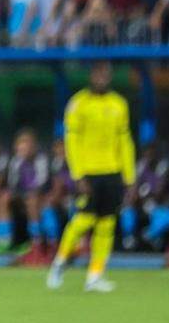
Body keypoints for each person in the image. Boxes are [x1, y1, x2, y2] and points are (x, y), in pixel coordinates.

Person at [47, 62, 135, 292]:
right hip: (88, 173)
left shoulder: (118, 104)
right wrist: (78, 175)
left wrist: (130, 176)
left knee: (107, 224)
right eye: (98, 74)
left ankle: (94, 275)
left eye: (106, 74)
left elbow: (124, 142)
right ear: (91, 76)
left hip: (113, 172)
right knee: (83, 220)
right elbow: (72, 142)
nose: (102, 78)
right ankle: (58, 264)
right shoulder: (78, 103)